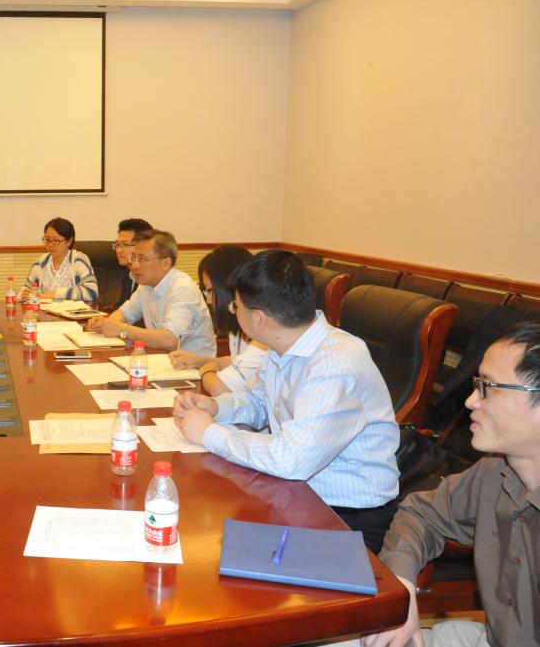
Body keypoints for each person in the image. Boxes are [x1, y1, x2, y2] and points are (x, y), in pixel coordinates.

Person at [173, 250, 399, 552]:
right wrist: (216, 408)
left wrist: (209, 433)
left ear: (259, 319)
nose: (233, 311)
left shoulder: (334, 365)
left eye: (235, 305)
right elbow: (260, 402)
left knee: (214, 544)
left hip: (345, 518)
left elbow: (291, 459)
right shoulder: (285, 345)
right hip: (297, 494)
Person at [344, 321, 540, 647]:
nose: (470, 401)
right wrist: (402, 585)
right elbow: (421, 514)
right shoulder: (493, 472)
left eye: (489, 387)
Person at [86, 229, 216, 356]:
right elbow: (125, 313)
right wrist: (104, 324)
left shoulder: (182, 289)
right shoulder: (146, 285)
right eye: (133, 258)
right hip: (161, 359)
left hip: (194, 367)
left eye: (142, 259)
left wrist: (122, 329)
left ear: (166, 263)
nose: (134, 265)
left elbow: (170, 340)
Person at [168, 245, 267, 395]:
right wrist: (199, 361)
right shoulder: (239, 324)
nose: (208, 300)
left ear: (228, 288)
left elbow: (219, 388)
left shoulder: (262, 331)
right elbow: (237, 361)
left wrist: (207, 370)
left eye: (210, 291)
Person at [22, 217, 98, 302]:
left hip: (71, 310)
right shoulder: (39, 263)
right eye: (47, 240)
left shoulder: (78, 260)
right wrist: (23, 295)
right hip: (44, 310)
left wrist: (56, 294)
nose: (50, 245)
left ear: (69, 241)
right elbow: (26, 289)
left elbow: (92, 292)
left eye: (56, 240)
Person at [111, 218, 153, 310]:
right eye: (117, 245)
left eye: (125, 245)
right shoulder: (129, 272)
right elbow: (122, 306)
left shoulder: (151, 279)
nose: (119, 251)